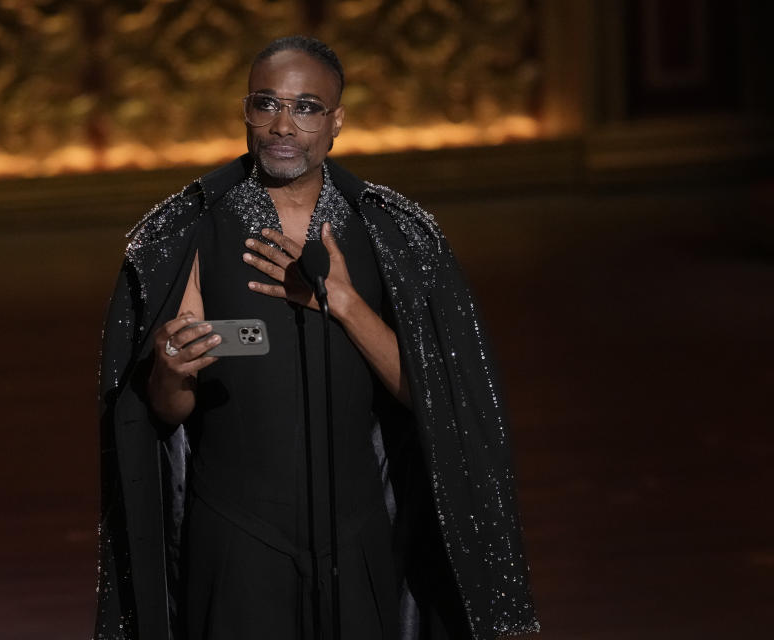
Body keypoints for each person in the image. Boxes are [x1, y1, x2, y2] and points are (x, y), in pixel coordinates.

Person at [95, 36, 538, 640]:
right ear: (245, 113)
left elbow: (434, 400)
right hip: (235, 536)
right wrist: (169, 373)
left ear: (336, 122)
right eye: (266, 104)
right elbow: (167, 415)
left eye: (306, 107)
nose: (283, 125)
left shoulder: (391, 235)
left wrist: (347, 303)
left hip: (355, 538)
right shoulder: (191, 232)